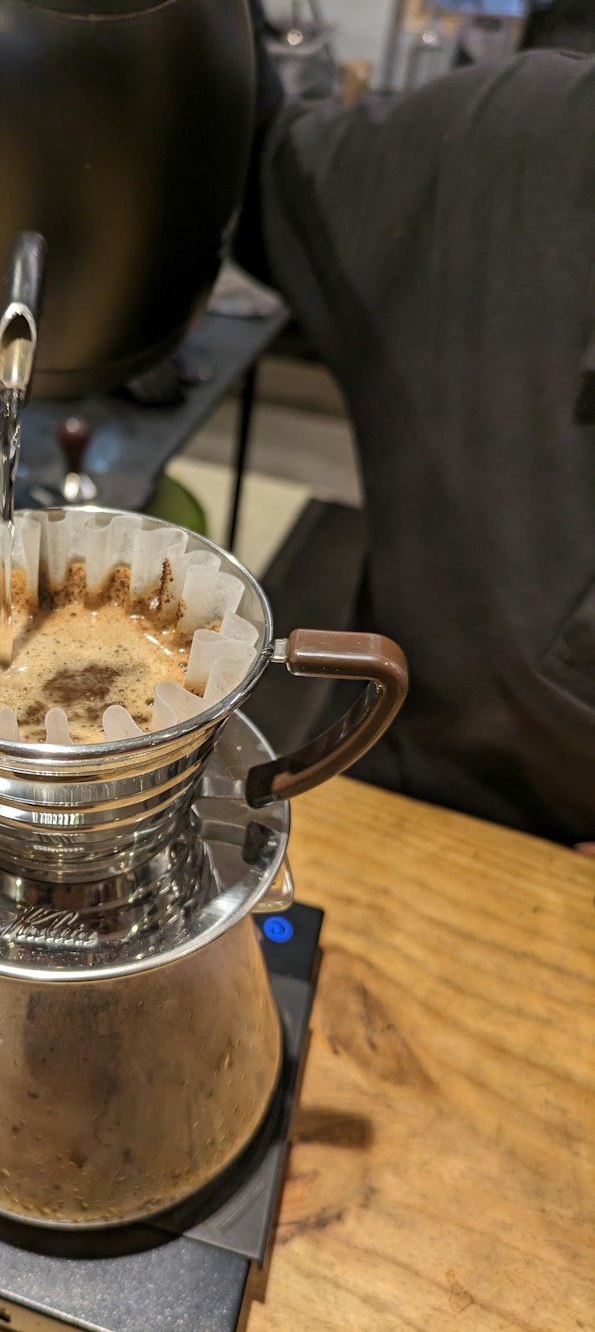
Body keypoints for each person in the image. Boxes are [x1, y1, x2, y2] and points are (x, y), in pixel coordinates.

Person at [234, 2, 595, 847]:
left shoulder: (501, 125)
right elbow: (267, 178)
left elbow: (258, 177)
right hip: (393, 778)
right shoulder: (513, 132)